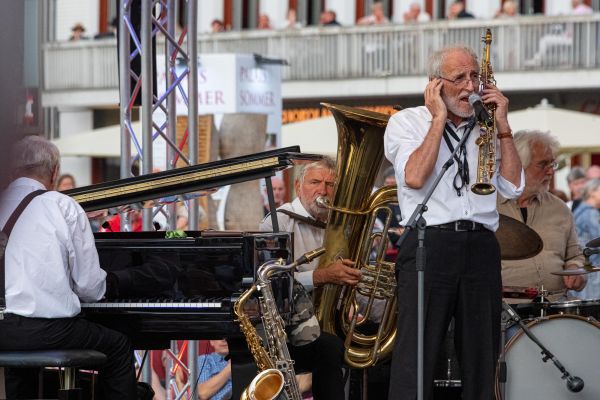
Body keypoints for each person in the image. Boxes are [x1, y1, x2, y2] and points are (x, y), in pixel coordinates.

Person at [384, 45, 524, 400]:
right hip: (430, 242)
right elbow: (415, 177)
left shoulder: (487, 123)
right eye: (459, 77)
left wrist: (504, 126)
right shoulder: (407, 122)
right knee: (417, 355)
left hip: (479, 245)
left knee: (482, 356)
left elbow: (513, 185)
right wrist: (437, 120)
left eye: (475, 76)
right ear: (435, 84)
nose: (469, 86)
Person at [0, 136, 136, 399]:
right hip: (46, 331)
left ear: (14, 170)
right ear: (54, 172)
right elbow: (90, 288)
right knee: (118, 346)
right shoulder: (62, 206)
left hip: (3, 330)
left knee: (19, 357)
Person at [259, 157, 358, 400]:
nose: (323, 190)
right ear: (298, 187)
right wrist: (321, 276)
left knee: (372, 345)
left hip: (330, 321)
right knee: (330, 348)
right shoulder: (279, 221)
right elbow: (270, 283)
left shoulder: (339, 224)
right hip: (286, 327)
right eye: (315, 182)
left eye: (330, 184)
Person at [499, 130, 586, 301]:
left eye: (552, 164)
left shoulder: (559, 208)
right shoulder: (486, 207)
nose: (550, 172)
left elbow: (575, 255)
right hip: (505, 310)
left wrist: (576, 269)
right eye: (542, 164)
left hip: (555, 306)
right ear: (517, 164)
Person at [568, 179, 600, 300]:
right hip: (593, 273)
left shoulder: (579, 209)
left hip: (583, 269)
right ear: (592, 192)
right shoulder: (591, 213)